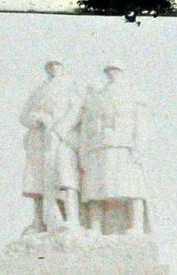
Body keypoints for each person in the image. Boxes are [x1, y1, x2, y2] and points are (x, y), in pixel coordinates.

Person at [76, 65, 148, 235]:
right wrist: (84, 154)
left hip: (124, 147)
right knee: (95, 190)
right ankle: (95, 226)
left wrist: (138, 150)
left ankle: (136, 225)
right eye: (109, 71)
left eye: (116, 71)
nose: (112, 74)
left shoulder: (132, 95)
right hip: (99, 147)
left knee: (132, 188)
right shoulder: (96, 98)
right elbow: (86, 129)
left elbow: (140, 126)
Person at [19, 60, 80, 234]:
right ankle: (39, 221)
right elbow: (24, 115)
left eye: (57, 65)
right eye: (50, 66)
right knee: (36, 182)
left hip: (61, 139)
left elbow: (76, 110)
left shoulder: (70, 87)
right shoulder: (38, 91)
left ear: (62, 68)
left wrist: (59, 131)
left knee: (66, 179)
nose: (54, 69)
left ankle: (72, 218)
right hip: (39, 139)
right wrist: (36, 118)